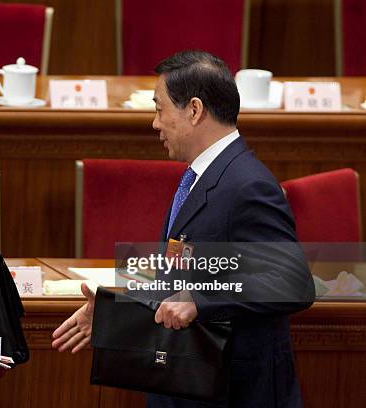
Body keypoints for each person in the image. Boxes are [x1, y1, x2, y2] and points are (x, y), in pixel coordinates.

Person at [52, 50, 315, 407]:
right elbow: (182, 279)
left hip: (234, 392)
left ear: (193, 110)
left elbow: (293, 282)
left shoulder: (248, 185)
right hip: (190, 385)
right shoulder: (200, 177)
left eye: (159, 109)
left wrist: (201, 300)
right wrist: (117, 309)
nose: (154, 123)